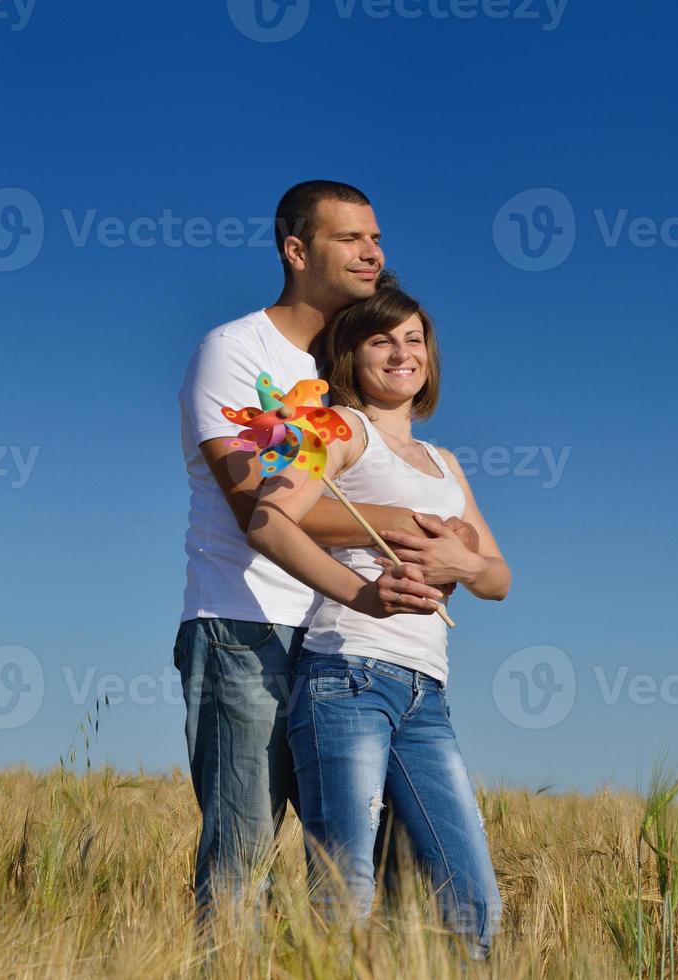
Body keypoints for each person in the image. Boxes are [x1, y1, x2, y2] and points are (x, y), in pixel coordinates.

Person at [173, 179, 478, 918]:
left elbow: (395, 474)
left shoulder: (352, 363)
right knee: (243, 847)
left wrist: (452, 538)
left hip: (349, 644)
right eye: (351, 238)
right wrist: (419, 521)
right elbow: (259, 503)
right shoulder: (236, 350)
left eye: (377, 238)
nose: (372, 252)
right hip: (246, 624)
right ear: (297, 249)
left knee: (366, 864)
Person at [246, 285, 509, 957]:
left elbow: (498, 579)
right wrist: (361, 594)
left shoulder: (445, 464)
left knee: (471, 895)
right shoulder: (336, 433)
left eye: (413, 339)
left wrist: (463, 561)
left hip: (427, 692)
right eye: (380, 340)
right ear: (350, 356)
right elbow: (270, 520)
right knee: (346, 886)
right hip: (348, 675)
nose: (401, 353)